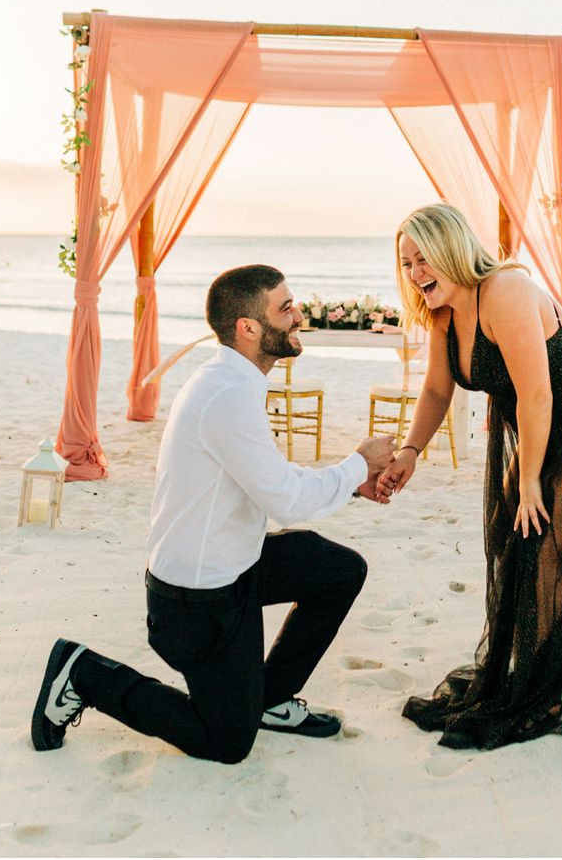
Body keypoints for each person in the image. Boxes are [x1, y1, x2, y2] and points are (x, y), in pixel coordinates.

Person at [31, 265, 396, 764]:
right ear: (248, 328)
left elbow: (267, 477)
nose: (298, 316)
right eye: (285, 308)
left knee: (339, 570)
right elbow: (284, 499)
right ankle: (83, 673)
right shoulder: (226, 396)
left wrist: (353, 486)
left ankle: (269, 700)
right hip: (196, 602)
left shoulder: (235, 381)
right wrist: (359, 464)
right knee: (226, 743)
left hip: (238, 565)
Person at [382, 202, 562, 750]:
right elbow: (437, 390)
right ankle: (536, 673)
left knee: (554, 543)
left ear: (453, 248)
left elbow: (536, 392)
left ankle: (556, 687)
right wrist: (411, 450)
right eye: (406, 263)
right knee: (518, 542)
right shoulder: (440, 313)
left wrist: (527, 480)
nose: (415, 273)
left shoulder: (503, 290)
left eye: (423, 259)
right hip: (541, 423)